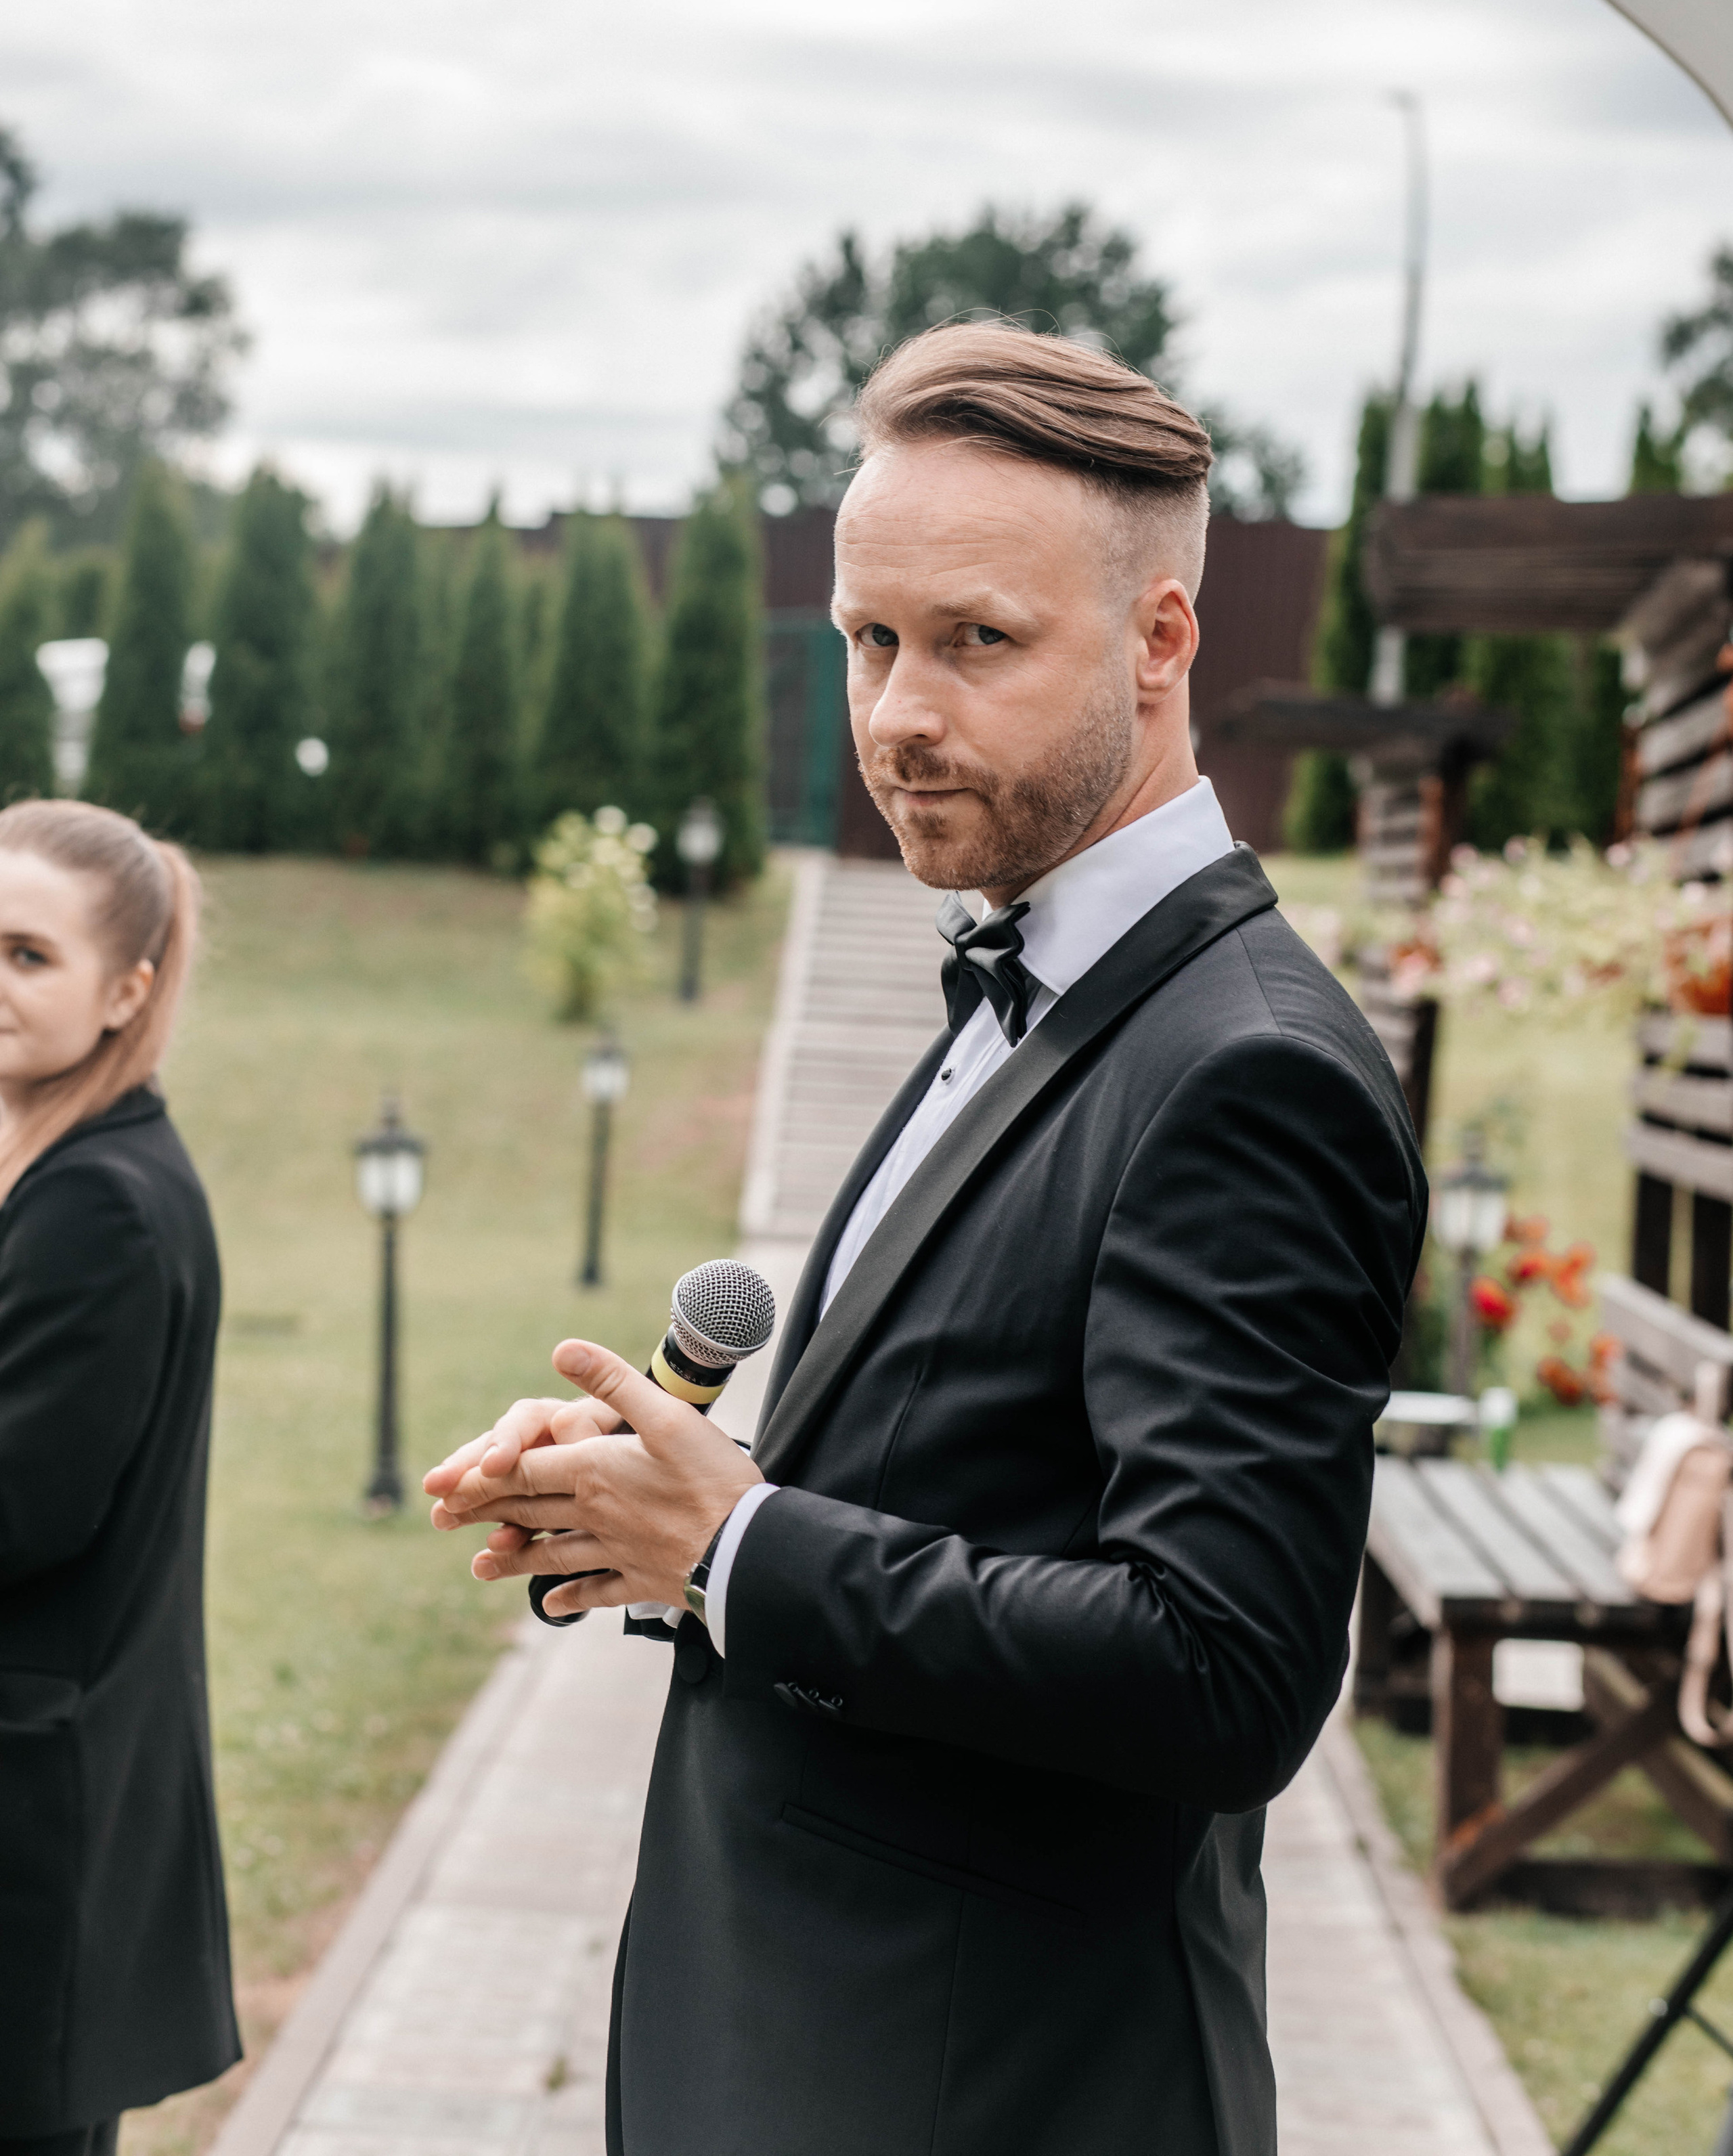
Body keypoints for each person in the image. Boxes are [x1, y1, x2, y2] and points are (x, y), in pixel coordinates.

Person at [426, 323, 1426, 2156]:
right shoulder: (1027, 979)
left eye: (976, 640)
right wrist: (662, 1502)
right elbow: (956, 1488)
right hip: (812, 2037)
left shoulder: (1249, 1072)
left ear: (1161, 639)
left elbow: (1223, 1670)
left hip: (985, 2084)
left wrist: (740, 1544)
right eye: (869, 642)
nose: (895, 711)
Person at [0, 801, 239, 2156]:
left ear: (125, 990)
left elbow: (22, 1508)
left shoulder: (101, 1199)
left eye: (29, 956)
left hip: (31, 1837)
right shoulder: (70, 1166)